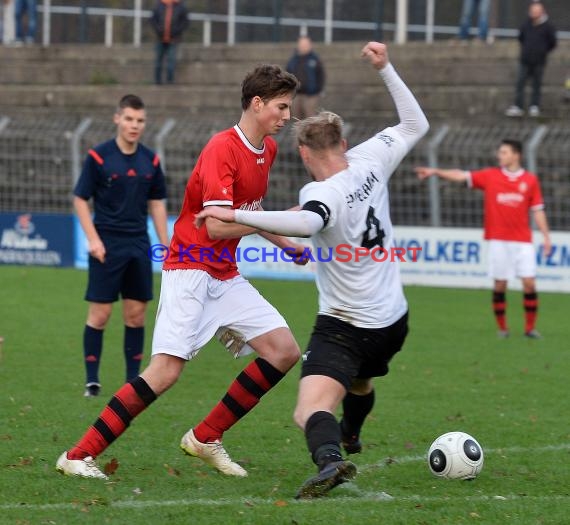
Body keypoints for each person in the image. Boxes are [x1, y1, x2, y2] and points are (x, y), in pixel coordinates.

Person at [196, 41, 429, 498]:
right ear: (343, 143)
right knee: (361, 380)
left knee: (308, 410)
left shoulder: (319, 194)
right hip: (393, 320)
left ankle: (330, 461)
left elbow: (307, 222)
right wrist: (385, 68)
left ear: (305, 154)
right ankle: (352, 434)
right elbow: (414, 124)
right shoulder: (373, 158)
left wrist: (241, 215)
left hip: (345, 324)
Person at [56, 64, 307, 480]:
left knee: (283, 351)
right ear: (257, 103)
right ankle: (79, 454)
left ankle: (206, 437)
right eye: (281, 107)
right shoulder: (221, 148)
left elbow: (252, 213)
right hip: (190, 269)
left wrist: (287, 244)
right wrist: (283, 221)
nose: (286, 116)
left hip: (225, 274)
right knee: (165, 372)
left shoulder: (269, 150)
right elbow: (216, 224)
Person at [72, 95, 168, 398]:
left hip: (138, 244)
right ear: (117, 119)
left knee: (136, 316)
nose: (134, 126)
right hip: (107, 245)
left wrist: (165, 244)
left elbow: (156, 202)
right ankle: (92, 381)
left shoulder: (151, 160)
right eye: (129, 119)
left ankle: (131, 381)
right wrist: (93, 239)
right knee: (100, 315)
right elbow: (80, 199)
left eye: (139, 121)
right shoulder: (99, 157)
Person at [415, 139, 552, 339]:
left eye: (504, 152)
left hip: (523, 241)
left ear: (516, 155)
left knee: (529, 283)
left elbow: (538, 211)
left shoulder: (530, 180)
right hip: (499, 240)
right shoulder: (490, 176)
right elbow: (461, 175)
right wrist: (436, 172)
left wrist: (546, 237)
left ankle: (530, 329)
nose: (500, 156)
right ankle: (503, 329)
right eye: (500, 152)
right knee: (500, 285)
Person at [505, 1, 557, 118]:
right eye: (532, 11)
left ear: (541, 12)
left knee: (536, 84)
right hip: (525, 60)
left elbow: (552, 43)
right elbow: (521, 37)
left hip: (539, 61)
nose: (533, 14)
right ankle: (518, 106)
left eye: (536, 11)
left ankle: (534, 106)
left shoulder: (548, 26)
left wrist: (542, 51)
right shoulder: (526, 24)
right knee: (520, 83)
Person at [286, 35, 326, 119]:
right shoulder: (293, 60)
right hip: (296, 94)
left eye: (306, 44)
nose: (303, 46)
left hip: (311, 95)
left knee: (311, 119)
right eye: (302, 44)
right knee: (296, 119)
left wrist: (318, 90)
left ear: (310, 45)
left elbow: (321, 75)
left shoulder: (315, 59)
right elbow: (287, 75)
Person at [150, 0, 189, 85]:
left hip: (174, 39)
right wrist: (158, 30)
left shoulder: (181, 6)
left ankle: (170, 81)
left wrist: (177, 31)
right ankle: (157, 81)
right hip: (160, 38)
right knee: (158, 61)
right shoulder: (159, 5)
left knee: (171, 61)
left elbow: (185, 22)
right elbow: (153, 19)